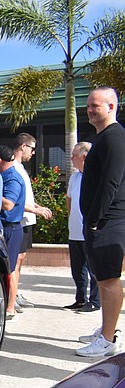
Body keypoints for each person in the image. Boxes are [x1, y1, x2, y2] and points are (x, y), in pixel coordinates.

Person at [76, 87, 125, 357]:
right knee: (103, 277)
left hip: (109, 221)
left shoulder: (115, 138)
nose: (91, 110)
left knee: (109, 279)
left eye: (96, 105)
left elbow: (112, 181)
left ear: (111, 106)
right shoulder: (104, 138)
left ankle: (107, 340)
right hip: (102, 221)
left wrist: (95, 219)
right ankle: (107, 330)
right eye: (88, 106)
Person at [11, 133, 52, 311]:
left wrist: (37, 206)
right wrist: (35, 210)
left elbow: (24, 196)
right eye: (32, 148)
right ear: (23, 147)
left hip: (27, 221)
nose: (33, 153)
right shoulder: (12, 167)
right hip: (19, 221)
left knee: (20, 260)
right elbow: (14, 200)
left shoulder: (20, 168)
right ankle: (10, 297)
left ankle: (15, 293)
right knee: (15, 261)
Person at [0, 145, 26, 319]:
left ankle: (10, 308)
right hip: (9, 227)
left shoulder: (11, 179)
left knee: (10, 269)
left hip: (11, 228)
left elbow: (9, 204)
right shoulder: (8, 176)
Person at [65, 142, 98, 311]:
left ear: (84, 156)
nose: (71, 159)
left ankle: (94, 301)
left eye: (74, 156)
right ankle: (80, 299)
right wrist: (71, 216)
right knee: (77, 269)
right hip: (75, 232)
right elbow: (69, 198)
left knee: (93, 269)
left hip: (90, 231)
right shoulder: (74, 177)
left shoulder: (95, 175)